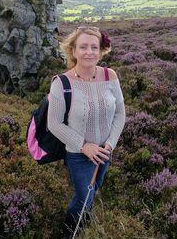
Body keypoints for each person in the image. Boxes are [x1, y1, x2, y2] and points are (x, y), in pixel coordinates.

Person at [47, 26, 126, 238]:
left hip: (105, 151)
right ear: (73, 51)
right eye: (83, 47)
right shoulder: (61, 83)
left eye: (94, 47)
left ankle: (84, 223)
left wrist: (109, 144)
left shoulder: (110, 76)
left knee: (93, 191)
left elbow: (120, 113)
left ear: (101, 50)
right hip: (78, 154)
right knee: (83, 197)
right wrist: (84, 145)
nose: (89, 52)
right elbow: (54, 124)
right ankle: (70, 231)